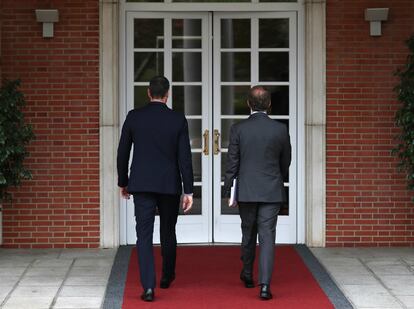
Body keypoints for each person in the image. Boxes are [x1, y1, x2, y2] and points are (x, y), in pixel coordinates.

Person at [117, 76, 194, 302]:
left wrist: (124, 181)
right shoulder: (177, 119)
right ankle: (167, 276)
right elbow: (185, 158)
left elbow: (122, 153)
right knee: (168, 231)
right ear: (167, 94)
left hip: (141, 184)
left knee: (144, 235)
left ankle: (148, 287)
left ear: (149, 93)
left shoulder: (134, 117)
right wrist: (188, 190)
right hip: (169, 184)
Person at [224, 86, 291, 300]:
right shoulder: (280, 129)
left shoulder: (238, 129)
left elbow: (232, 162)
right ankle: (265, 286)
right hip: (271, 189)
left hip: (247, 189)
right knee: (268, 236)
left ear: (248, 104)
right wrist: (277, 178)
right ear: (269, 105)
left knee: (248, 232)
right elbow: (286, 161)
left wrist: (228, 188)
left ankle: (247, 274)